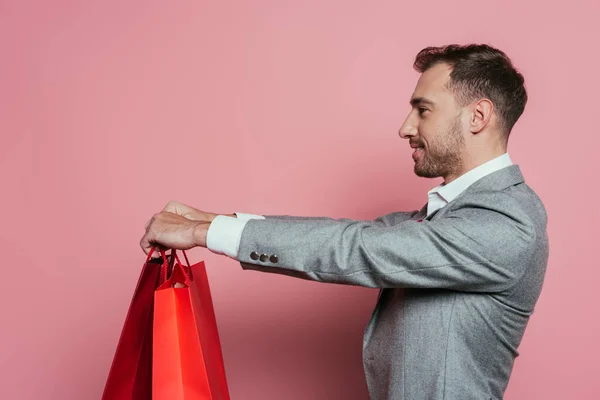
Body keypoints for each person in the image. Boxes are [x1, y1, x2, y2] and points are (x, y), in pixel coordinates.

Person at [140, 44, 549, 400]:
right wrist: (210, 219)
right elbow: (354, 234)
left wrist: (204, 233)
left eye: (423, 110)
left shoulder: (507, 220)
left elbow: (359, 249)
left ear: (477, 117)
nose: (406, 128)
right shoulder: (450, 214)